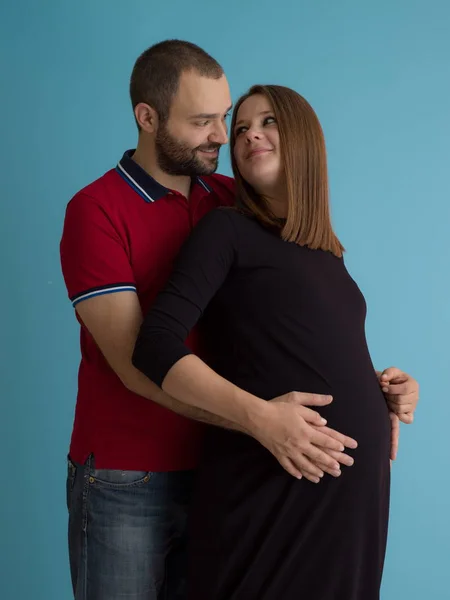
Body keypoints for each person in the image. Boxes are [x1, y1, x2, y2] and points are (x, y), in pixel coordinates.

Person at [60, 40, 419, 600]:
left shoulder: (232, 199)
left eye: (224, 117)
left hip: (224, 464)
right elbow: (138, 362)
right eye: (205, 121)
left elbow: (281, 327)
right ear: (148, 118)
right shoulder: (96, 209)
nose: (225, 136)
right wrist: (260, 421)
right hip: (130, 476)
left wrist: (367, 394)